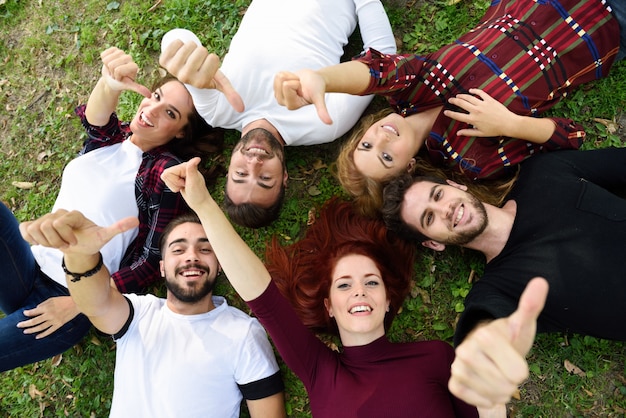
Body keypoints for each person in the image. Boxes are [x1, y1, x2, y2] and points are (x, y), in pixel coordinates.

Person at [160, 158, 483, 417]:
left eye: (371, 282)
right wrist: (203, 204)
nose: (360, 291)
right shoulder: (320, 371)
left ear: (387, 300)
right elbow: (262, 297)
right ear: (329, 306)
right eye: (344, 285)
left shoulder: (436, 357)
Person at [274, 0, 625, 216]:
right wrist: (510, 124)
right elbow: (572, 137)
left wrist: (322, 79)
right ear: (409, 166)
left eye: (367, 144)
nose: (381, 138)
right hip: (601, 26)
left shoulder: (412, 89)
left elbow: (376, 71)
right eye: (386, 157)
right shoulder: (470, 156)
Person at [0, 47, 222, 372]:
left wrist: (78, 304)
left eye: (170, 113)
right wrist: (110, 82)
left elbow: (151, 261)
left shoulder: (162, 170)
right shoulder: (113, 142)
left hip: (71, 293)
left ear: (181, 133)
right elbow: (97, 118)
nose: (152, 109)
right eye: (156, 96)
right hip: (28, 264)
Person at [381, 147, 626, 405]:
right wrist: (483, 349)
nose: (446, 210)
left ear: (456, 186)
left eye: (439, 195)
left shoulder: (544, 171)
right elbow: (482, 324)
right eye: (430, 218)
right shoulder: (498, 289)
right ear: (433, 243)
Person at [19, 210, 286, 418]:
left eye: (205, 249)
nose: (191, 257)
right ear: (161, 267)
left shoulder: (243, 333)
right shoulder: (140, 312)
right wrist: (80, 256)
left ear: (219, 266)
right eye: (178, 249)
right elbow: (96, 303)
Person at [158, 0, 397, 228]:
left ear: (229, 167)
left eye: (241, 174)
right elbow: (383, 62)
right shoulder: (324, 123)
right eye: (264, 179)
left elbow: (174, 37)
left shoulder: (216, 111)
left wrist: (187, 62)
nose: (254, 163)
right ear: (284, 177)